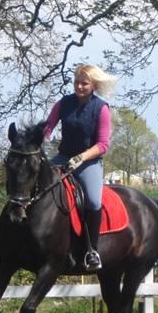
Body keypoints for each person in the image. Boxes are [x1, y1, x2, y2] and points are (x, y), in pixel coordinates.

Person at [43, 64, 117, 271]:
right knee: (38, 184)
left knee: (93, 201)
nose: (79, 86)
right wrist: (37, 142)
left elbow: (103, 145)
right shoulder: (63, 103)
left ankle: (92, 251)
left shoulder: (101, 108)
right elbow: (48, 128)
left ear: (93, 85)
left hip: (88, 162)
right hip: (62, 157)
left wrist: (81, 158)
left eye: (84, 83)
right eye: (76, 82)